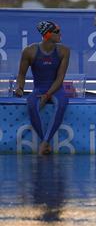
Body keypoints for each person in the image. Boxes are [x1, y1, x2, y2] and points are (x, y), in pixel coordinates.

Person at [13, 20, 71, 155]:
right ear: (48, 34)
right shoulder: (29, 51)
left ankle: (44, 143)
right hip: (39, 88)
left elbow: (60, 79)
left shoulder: (64, 51)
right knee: (31, 104)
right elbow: (21, 74)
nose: (60, 34)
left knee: (61, 104)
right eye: (57, 32)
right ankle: (45, 142)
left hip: (56, 89)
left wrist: (47, 95)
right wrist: (20, 88)